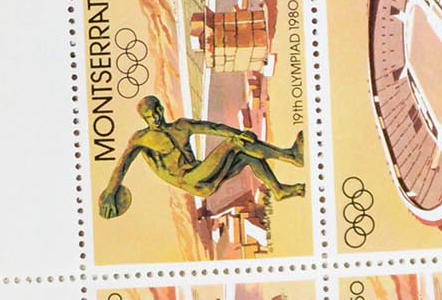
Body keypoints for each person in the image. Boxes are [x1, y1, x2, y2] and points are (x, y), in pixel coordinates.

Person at [98, 94, 304, 220]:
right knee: (234, 144)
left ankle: (278, 190)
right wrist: (110, 193)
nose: (155, 119)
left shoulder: (182, 126)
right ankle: (291, 156)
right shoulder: (142, 139)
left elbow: (213, 128)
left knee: (247, 156)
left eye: (156, 113)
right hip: (189, 180)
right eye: (149, 117)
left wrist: (238, 133)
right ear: (144, 119)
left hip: (204, 175)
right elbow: (122, 165)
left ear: (160, 109)